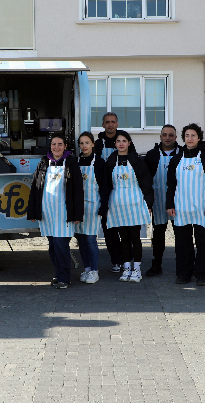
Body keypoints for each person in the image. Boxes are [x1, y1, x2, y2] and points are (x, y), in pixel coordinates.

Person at [165, 123, 205, 286]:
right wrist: (170, 204)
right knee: (182, 244)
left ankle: (202, 274)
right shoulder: (176, 159)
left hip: (201, 208)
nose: (190, 138)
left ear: (199, 138)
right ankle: (183, 273)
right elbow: (171, 184)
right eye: (187, 136)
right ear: (183, 139)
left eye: (193, 135)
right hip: (181, 208)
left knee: (204, 243)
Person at [27, 135, 84, 289]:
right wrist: (32, 212)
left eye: (60, 144)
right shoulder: (43, 162)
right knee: (52, 246)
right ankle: (58, 275)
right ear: (50, 146)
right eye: (54, 144)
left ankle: (65, 278)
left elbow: (78, 190)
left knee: (61, 245)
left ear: (65, 146)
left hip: (64, 213)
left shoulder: (71, 163)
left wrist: (78, 214)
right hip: (48, 213)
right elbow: (35, 187)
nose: (56, 147)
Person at [102, 131, 153, 283]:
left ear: (129, 143)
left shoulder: (138, 161)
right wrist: (105, 205)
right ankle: (126, 268)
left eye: (124, 140)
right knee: (123, 238)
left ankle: (137, 269)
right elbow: (107, 186)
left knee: (135, 237)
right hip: (117, 204)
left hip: (135, 203)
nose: (121, 143)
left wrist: (148, 203)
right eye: (118, 141)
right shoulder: (110, 162)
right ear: (115, 144)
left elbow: (146, 184)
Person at [142, 124, 180, 276]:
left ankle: (182, 265)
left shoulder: (183, 153)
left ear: (176, 137)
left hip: (178, 200)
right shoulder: (151, 155)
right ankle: (156, 264)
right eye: (165, 135)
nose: (167, 137)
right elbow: (145, 180)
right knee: (158, 235)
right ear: (160, 137)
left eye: (171, 135)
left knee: (180, 234)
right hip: (158, 201)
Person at [93, 112, 127, 273]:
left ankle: (127, 259)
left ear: (117, 124)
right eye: (107, 122)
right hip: (103, 190)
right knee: (108, 229)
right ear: (103, 125)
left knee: (124, 228)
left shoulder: (123, 141)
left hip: (122, 189)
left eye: (113, 122)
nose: (110, 124)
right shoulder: (97, 144)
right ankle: (116, 260)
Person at [74, 132, 107, 284]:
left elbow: (105, 188)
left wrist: (103, 208)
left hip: (93, 206)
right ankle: (86, 268)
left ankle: (94, 271)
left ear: (93, 144)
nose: (84, 146)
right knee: (80, 239)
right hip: (78, 207)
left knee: (90, 240)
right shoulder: (75, 161)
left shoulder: (99, 163)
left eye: (87, 143)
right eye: (81, 143)